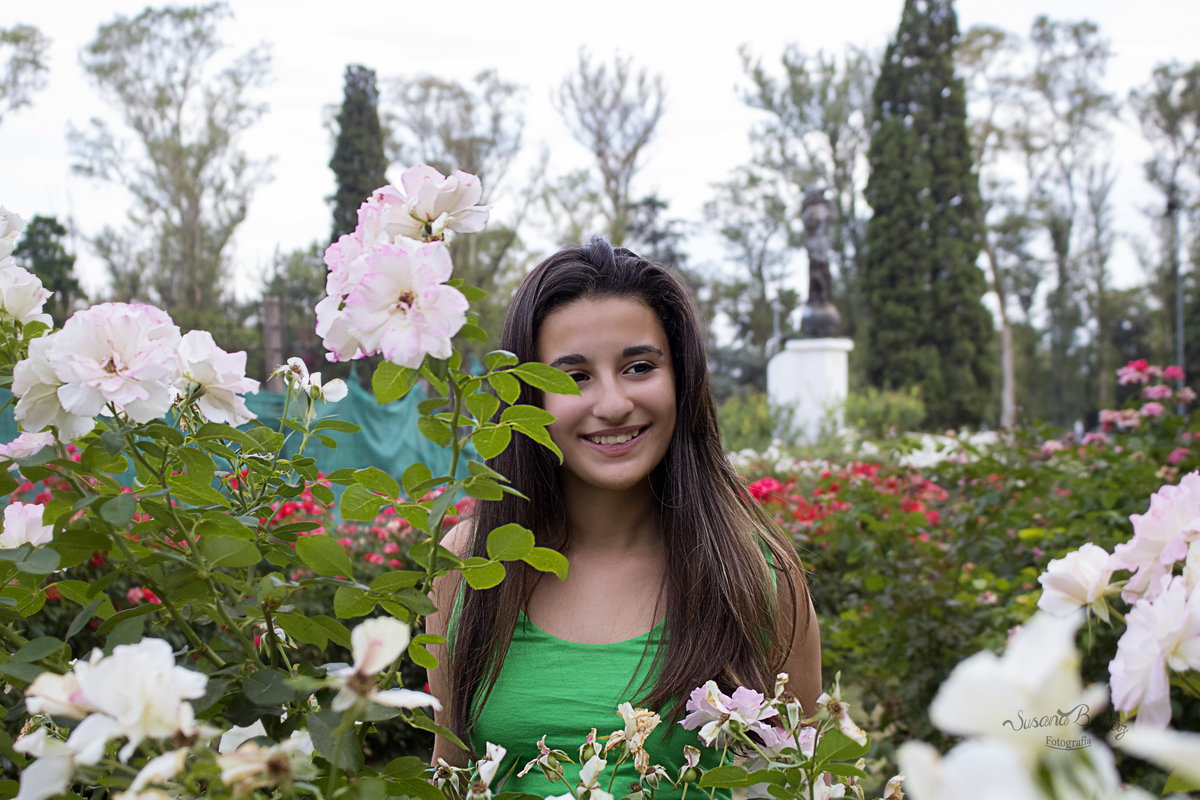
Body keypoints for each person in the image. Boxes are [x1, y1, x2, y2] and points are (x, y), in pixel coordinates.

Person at [427, 239, 822, 797]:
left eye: (639, 367)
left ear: (682, 381)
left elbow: (803, 783)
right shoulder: (471, 564)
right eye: (574, 376)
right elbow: (449, 775)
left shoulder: (757, 576)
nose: (612, 403)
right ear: (526, 398)